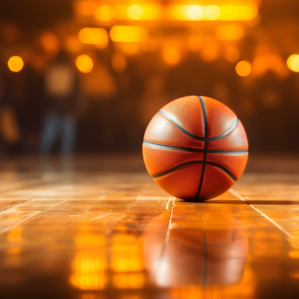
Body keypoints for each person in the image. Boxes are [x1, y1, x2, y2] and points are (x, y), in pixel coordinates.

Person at [40, 51, 79, 156]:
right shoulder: (70, 71)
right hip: (65, 107)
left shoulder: (51, 70)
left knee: (50, 135)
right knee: (66, 137)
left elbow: (45, 91)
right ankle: (64, 157)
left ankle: (44, 155)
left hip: (54, 106)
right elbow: (75, 91)